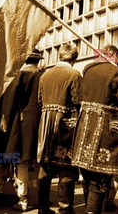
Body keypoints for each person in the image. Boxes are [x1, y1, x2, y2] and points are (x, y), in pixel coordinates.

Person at [71, 44, 118, 214]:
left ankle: (90, 209)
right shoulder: (117, 73)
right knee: (101, 176)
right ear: (114, 56)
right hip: (106, 128)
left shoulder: (87, 69)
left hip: (85, 126)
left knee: (87, 173)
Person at [37, 42, 82, 214]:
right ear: (74, 58)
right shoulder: (74, 74)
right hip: (65, 123)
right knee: (66, 166)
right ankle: (65, 208)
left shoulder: (45, 75)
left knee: (45, 165)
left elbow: (39, 101)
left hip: (46, 122)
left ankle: (42, 207)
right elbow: (78, 101)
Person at [6, 48, 44, 211]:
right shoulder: (42, 76)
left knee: (21, 161)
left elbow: (10, 103)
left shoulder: (20, 76)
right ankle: (36, 196)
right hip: (40, 123)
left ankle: (23, 199)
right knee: (36, 162)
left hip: (21, 124)